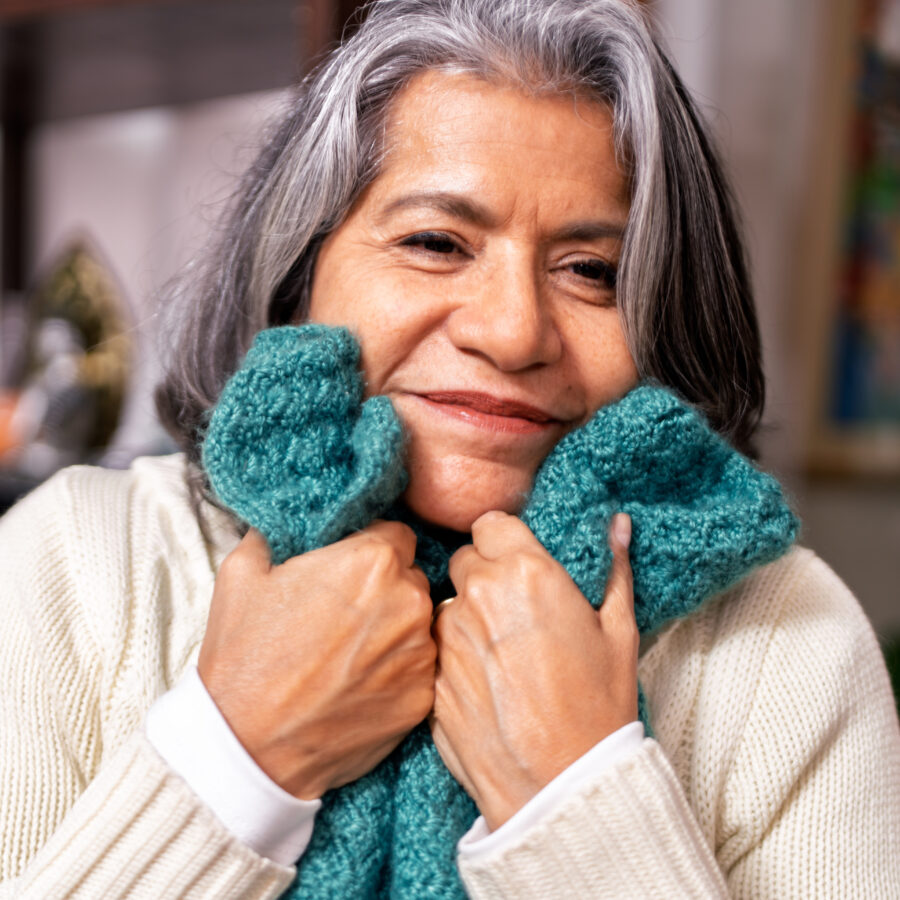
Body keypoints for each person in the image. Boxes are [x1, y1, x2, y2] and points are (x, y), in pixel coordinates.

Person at [1, 0, 898, 897]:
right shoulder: (77, 562)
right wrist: (241, 754)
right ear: (297, 271)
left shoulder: (786, 637)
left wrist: (578, 796)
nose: (512, 333)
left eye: (592, 270)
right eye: (435, 243)